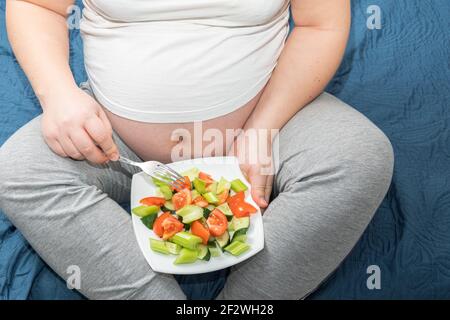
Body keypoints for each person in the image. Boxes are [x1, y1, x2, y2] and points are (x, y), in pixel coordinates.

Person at [0, 0, 393, 299]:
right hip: (111, 139)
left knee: (360, 157)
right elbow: (37, 5)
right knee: (19, 171)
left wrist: (261, 130)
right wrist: (58, 95)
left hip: (267, 119)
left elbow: (320, 25)